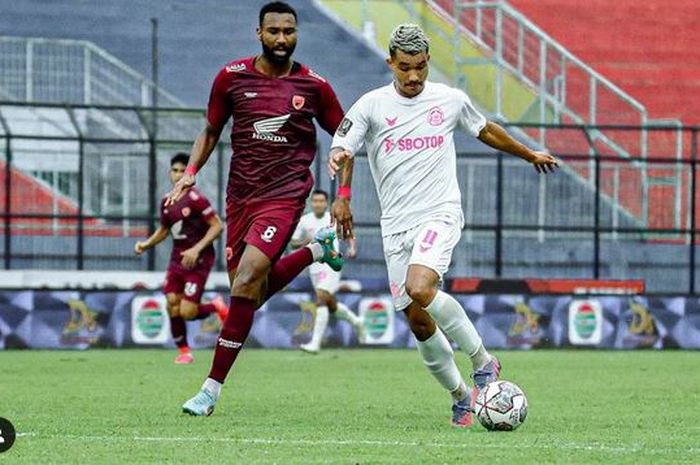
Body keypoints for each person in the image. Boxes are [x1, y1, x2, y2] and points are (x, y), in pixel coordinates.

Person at [328, 24, 558, 427]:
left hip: (439, 212)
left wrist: (528, 153)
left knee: (421, 287)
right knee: (418, 320)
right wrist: (343, 197)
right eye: (404, 68)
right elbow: (345, 149)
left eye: (420, 67)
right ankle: (461, 396)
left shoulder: (449, 100)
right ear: (390, 63)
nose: (414, 77)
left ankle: (484, 361)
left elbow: (484, 129)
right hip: (394, 226)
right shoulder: (370, 105)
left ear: (428, 61)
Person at [167, 2, 346, 416]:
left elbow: (346, 134)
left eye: (289, 31)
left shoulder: (314, 86)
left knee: (246, 280)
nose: (282, 39)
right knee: (251, 292)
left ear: (296, 34)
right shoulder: (231, 78)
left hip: (284, 197)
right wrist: (191, 171)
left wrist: (344, 188)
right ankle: (316, 251)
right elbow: (211, 130)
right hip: (240, 198)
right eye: (274, 32)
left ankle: (209, 391)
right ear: (259, 33)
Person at [134, 152, 228, 364]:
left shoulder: (197, 199)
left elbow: (217, 226)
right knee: (171, 304)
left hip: (199, 260)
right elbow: (165, 229)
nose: (177, 175)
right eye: (174, 170)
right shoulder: (166, 201)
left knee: (187, 312)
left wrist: (196, 249)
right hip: (177, 260)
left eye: (182, 171)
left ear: (189, 175)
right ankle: (184, 351)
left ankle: (216, 306)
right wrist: (146, 244)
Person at [290, 189, 363, 353]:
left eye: (321, 201)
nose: (318, 204)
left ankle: (315, 343)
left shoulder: (333, 219)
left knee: (321, 297)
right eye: (315, 201)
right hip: (314, 268)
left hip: (331, 265)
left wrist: (352, 247)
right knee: (330, 304)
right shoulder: (304, 221)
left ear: (327, 203)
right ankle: (356, 320)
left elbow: (348, 231)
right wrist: (304, 241)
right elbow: (293, 244)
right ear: (312, 203)